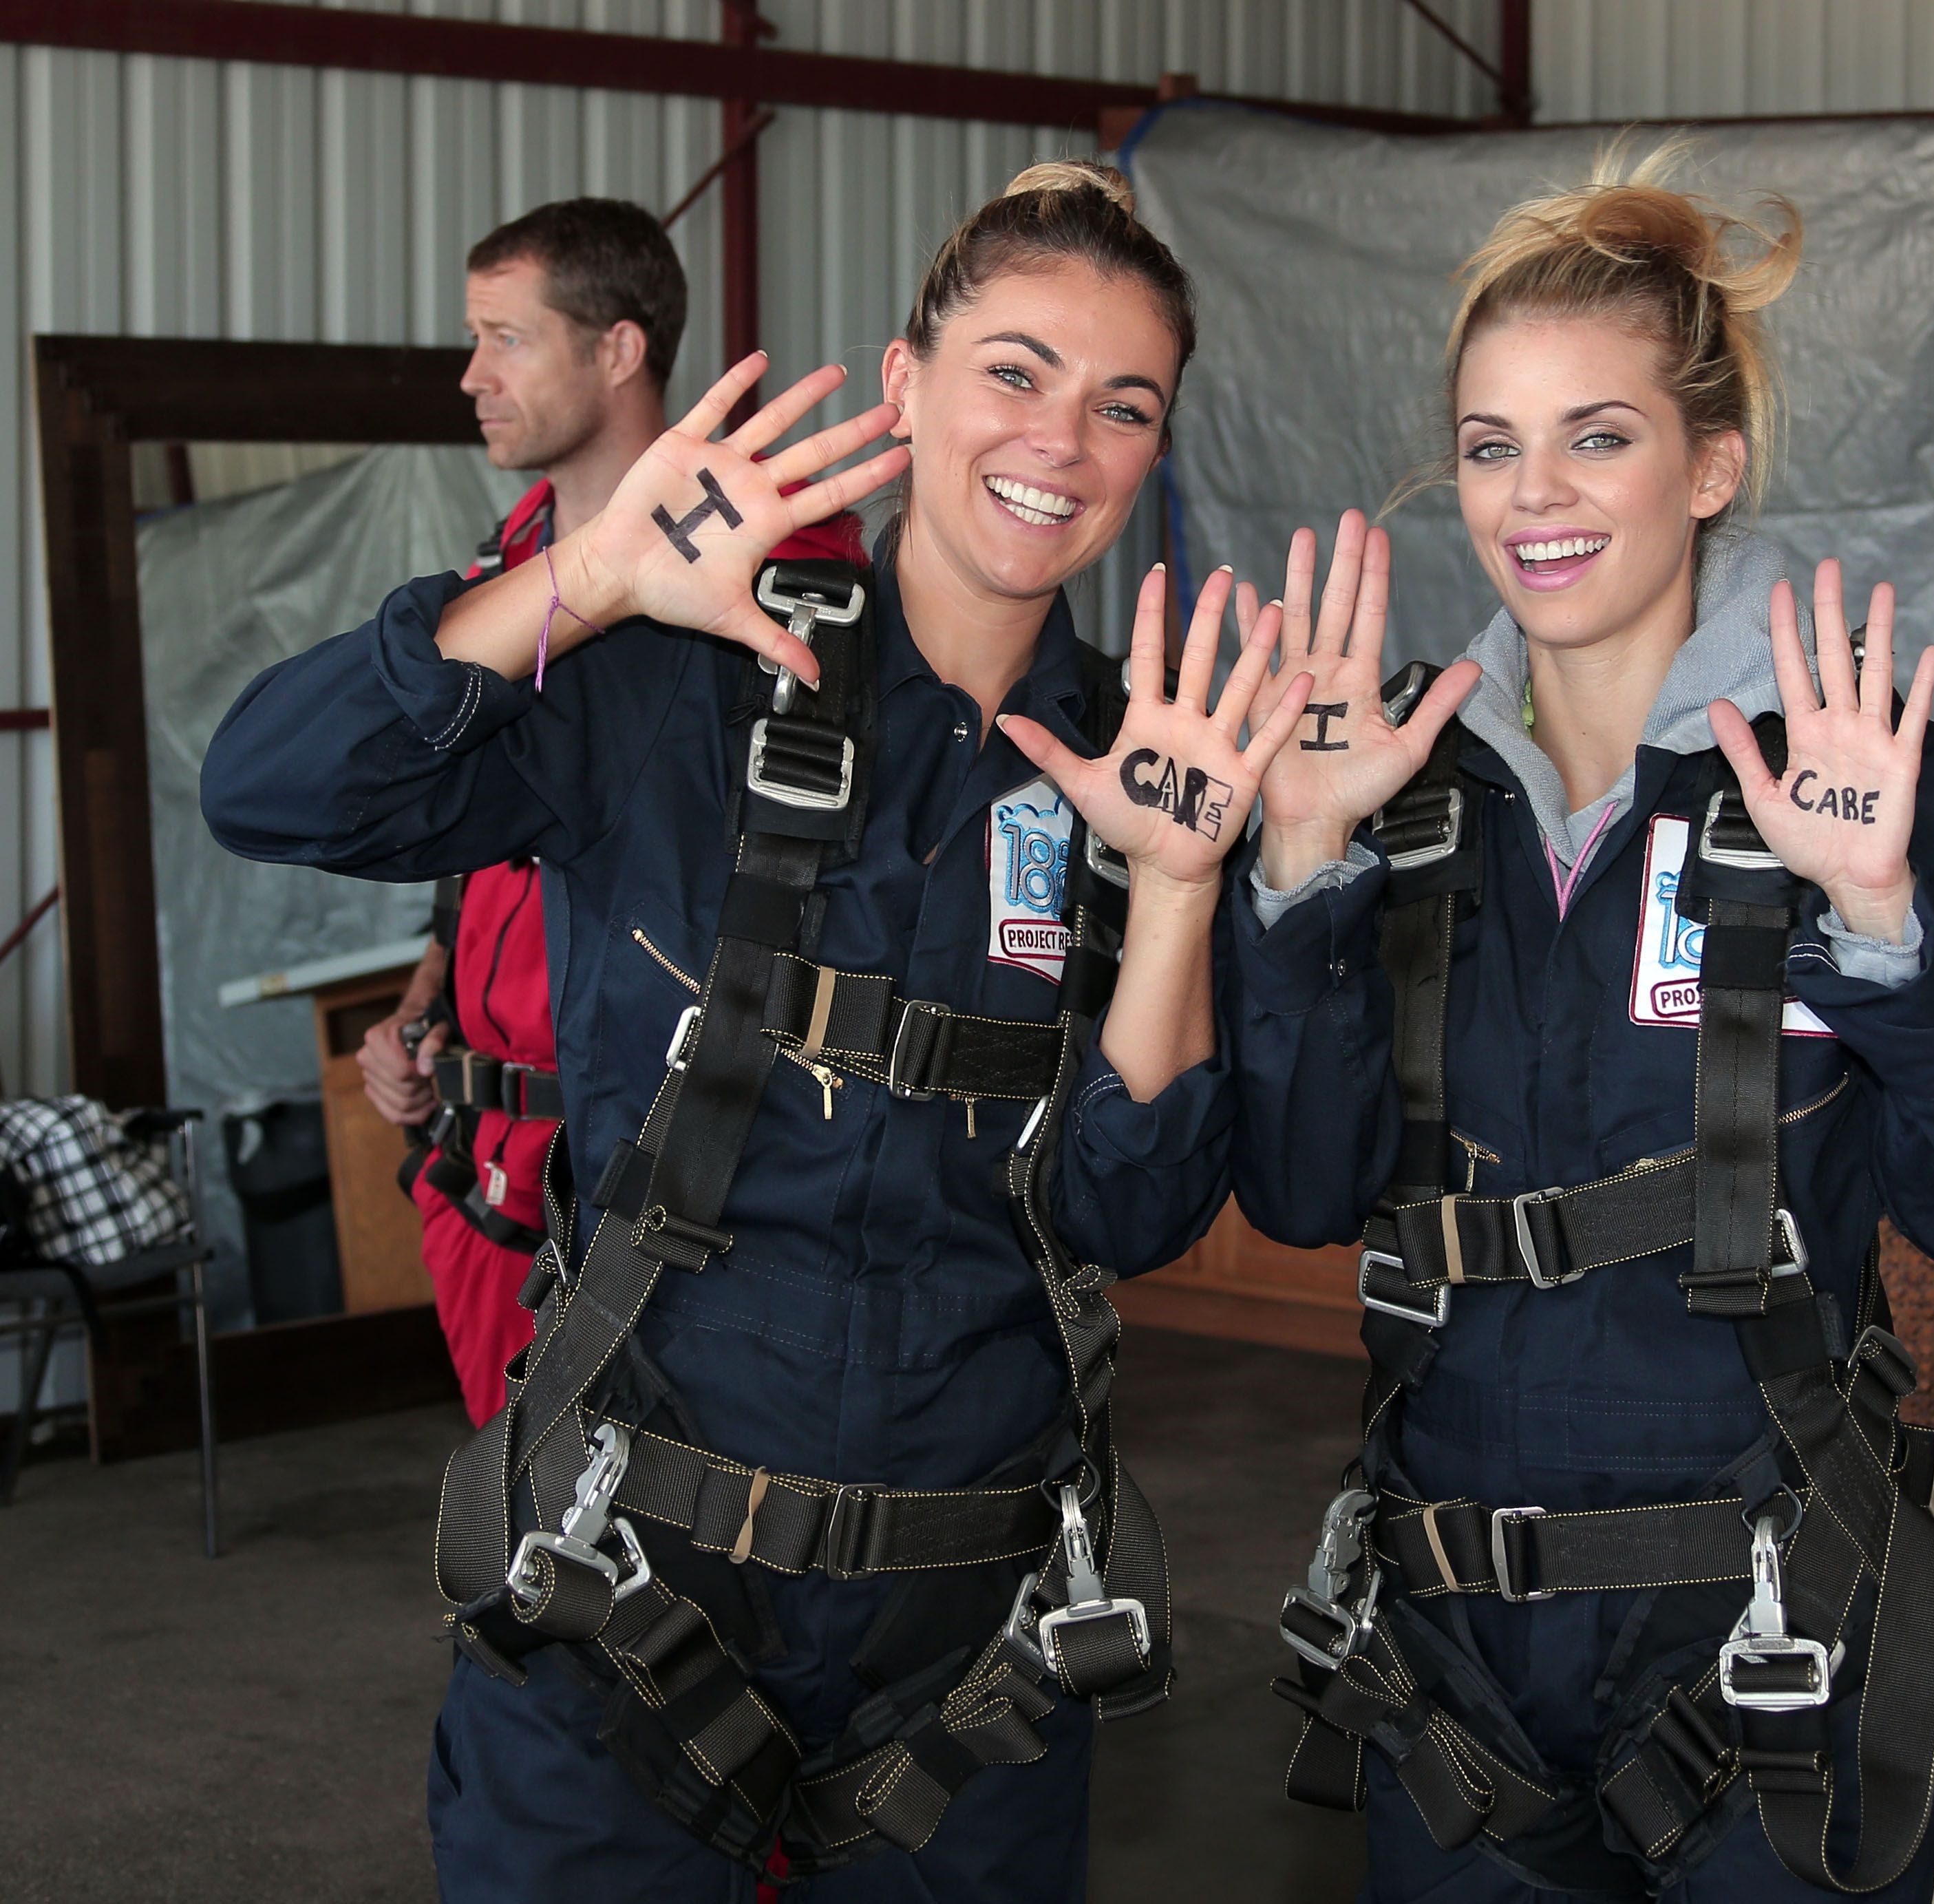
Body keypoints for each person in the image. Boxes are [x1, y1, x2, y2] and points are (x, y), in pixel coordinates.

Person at [203, 161, 1306, 1901]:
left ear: (1154, 454)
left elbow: (1136, 1212)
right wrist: (581, 580)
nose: (1059, 441)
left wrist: (1176, 891)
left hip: (974, 1634)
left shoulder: (1154, 765)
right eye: (1013, 372)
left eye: (1124, 405)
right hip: (626, 1593)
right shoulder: (684, 670)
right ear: (902, 389)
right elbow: (269, 785)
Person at [1224, 149, 1934, 1901]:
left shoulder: (1859, 781)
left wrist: (1881, 922)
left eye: (1598, 435)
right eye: (1491, 444)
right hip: (1455, 1659)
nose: (1532, 494)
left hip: (1770, 1644)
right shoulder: (1404, 785)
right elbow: (1297, 1185)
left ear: (1710, 463)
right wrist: (1300, 873)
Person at [355, 197, 865, 1427]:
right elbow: (480, 840)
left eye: (505, 338)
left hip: (667, 1187)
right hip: (486, 1177)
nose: (472, 375)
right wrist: (426, 1009)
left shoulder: (788, 579)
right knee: (521, 1556)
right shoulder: (503, 571)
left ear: (619, 349)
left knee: (659, 1573)